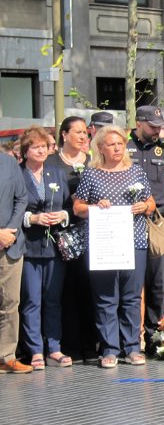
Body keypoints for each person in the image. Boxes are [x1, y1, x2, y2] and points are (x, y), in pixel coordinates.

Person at [73, 125, 156, 368]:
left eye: (120, 143)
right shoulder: (91, 174)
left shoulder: (136, 171)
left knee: (131, 296)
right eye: (112, 144)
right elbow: (77, 207)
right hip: (104, 243)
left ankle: (131, 347)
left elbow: (151, 202)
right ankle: (109, 349)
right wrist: (95, 208)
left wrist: (145, 207)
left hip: (134, 240)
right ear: (100, 148)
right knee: (106, 298)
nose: (118, 148)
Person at [18, 126, 72, 369]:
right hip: (28, 246)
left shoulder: (57, 173)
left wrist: (62, 215)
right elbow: (11, 209)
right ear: (25, 151)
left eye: (44, 147)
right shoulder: (17, 174)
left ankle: (54, 347)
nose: (41, 151)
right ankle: (34, 350)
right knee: (31, 299)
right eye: (35, 147)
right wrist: (32, 218)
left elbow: (71, 206)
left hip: (54, 246)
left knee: (53, 299)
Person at [47, 116, 98, 363]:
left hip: (92, 234)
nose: (82, 136)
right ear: (64, 135)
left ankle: (91, 346)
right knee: (65, 291)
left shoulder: (93, 163)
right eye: (77, 132)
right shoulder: (51, 162)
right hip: (61, 236)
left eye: (85, 133)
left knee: (89, 289)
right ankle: (69, 345)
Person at [126, 106, 164, 355]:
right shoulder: (124, 146)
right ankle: (130, 339)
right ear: (139, 123)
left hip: (156, 218)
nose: (157, 130)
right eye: (153, 126)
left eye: (160, 126)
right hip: (128, 220)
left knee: (158, 280)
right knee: (131, 283)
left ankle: (155, 337)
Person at [0, 149, 30, 373]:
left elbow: (22, 198)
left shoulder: (9, 162)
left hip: (10, 243)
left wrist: (9, 230)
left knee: (10, 303)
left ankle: (6, 357)